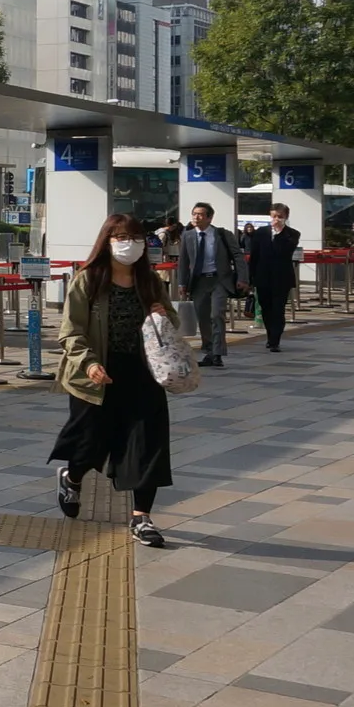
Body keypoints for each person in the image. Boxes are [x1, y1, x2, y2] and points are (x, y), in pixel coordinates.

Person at [54, 212, 180, 547]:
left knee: (147, 442)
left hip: (142, 373)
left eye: (136, 238)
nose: (130, 245)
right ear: (108, 241)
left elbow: (174, 320)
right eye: (122, 238)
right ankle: (73, 476)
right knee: (90, 443)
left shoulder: (149, 280)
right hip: (96, 374)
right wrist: (89, 363)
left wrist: (163, 314)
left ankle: (142, 517)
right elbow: (70, 332)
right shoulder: (88, 279)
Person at [177, 202, 244, 368]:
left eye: (200, 214)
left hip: (219, 280)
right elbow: (183, 260)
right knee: (203, 318)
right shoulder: (188, 235)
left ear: (209, 217)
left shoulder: (222, 234)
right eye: (194, 214)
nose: (196, 217)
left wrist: (243, 278)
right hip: (199, 282)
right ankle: (209, 351)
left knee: (216, 315)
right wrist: (182, 283)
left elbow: (238, 256)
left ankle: (218, 353)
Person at [242, 204, 304, 352]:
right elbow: (254, 256)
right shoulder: (261, 233)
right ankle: (270, 335)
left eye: (280, 216)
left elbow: (284, 252)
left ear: (286, 217)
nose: (276, 219)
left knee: (278, 309)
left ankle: (275, 340)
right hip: (262, 277)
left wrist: (278, 233)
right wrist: (250, 278)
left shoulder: (292, 234)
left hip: (282, 277)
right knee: (266, 308)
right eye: (274, 216)